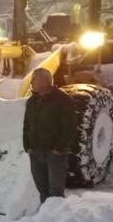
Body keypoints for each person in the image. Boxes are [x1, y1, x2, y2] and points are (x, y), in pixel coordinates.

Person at [23, 68, 77, 204]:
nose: (31, 82)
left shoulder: (63, 100)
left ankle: (58, 221)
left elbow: (69, 127)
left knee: (55, 192)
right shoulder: (32, 101)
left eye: (34, 78)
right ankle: (46, 221)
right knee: (43, 190)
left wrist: (59, 149)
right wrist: (27, 146)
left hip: (55, 155)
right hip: (35, 153)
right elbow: (27, 125)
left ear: (45, 80)